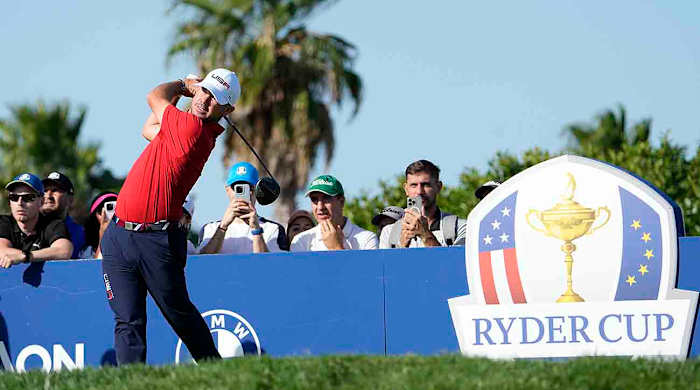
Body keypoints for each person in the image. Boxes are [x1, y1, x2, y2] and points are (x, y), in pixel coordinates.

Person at [100, 68, 240, 365]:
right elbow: (148, 128)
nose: (206, 100)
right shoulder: (181, 128)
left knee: (178, 313)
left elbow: (154, 96)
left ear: (227, 111)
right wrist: (189, 92)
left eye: (216, 99)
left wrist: (183, 85)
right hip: (119, 235)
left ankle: (215, 369)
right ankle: (131, 385)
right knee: (127, 321)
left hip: (156, 240)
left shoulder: (192, 131)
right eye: (206, 91)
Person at [198, 162, 284, 254]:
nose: (243, 193)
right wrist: (222, 227)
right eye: (237, 188)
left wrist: (256, 230)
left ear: (257, 191)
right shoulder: (209, 229)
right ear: (227, 190)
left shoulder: (273, 229)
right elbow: (203, 262)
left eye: (249, 188)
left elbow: (270, 265)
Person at [379, 160, 466, 248]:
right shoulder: (389, 233)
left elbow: (454, 261)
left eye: (426, 185)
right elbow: (387, 262)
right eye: (414, 185)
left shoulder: (459, 227)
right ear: (406, 189)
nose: (419, 192)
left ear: (438, 187)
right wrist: (401, 245)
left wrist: (426, 235)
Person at [0, 173, 73, 268]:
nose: (20, 203)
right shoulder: (3, 222)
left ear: (41, 202)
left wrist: (26, 256)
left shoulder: (53, 224)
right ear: (9, 202)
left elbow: (65, 250)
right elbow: (2, 251)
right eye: (14, 198)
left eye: (28, 198)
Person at [290, 175, 378, 251]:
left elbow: (368, 271)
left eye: (326, 198)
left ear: (341, 202)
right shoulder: (301, 241)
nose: (320, 207)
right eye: (314, 199)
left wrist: (336, 248)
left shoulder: (367, 239)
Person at [41, 171, 86, 258]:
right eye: (45, 191)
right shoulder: (27, 228)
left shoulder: (82, 234)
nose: (48, 195)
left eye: (55, 190)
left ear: (70, 199)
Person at [80, 192, 118, 259]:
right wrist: (103, 235)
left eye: (116, 207)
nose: (112, 213)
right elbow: (97, 267)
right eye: (102, 210)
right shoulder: (87, 252)